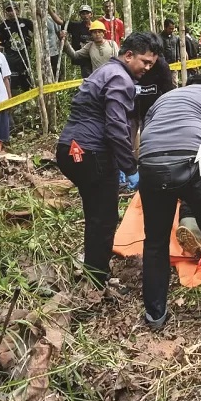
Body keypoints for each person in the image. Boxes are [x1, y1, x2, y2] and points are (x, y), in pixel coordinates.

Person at [56, 32, 160, 287]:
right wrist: (130, 166)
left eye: (151, 64)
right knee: (104, 217)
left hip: (69, 148)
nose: (147, 68)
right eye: (144, 62)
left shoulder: (105, 72)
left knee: (95, 214)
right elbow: (115, 126)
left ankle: (93, 268)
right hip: (91, 152)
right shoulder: (120, 78)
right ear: (128, 55)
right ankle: (97, 280)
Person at [137, 78, 201, 330]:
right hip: (195, 161)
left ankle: (155, 315)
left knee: (155, 241)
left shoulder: (163, 99)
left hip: (150, 164)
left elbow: (139, 140)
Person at [0, 2, 34, 93]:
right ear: (5, 12)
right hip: (11, 58)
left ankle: (28, 100)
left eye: (13, 9)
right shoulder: (2, 26)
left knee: (26, 78)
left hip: (25, 57)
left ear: (17, 10)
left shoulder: (25, 22)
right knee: (13, 81)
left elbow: (37, 31)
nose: (11, 12)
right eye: (8, 10)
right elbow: (0, 42)